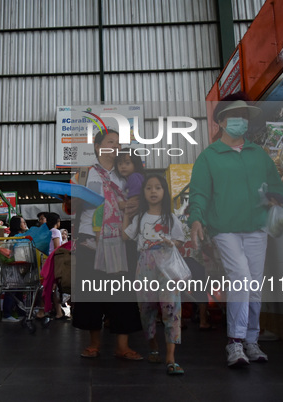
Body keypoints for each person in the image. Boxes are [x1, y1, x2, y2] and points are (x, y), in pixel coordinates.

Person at [188, 92, 283, 367]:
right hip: (224, 228)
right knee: (240, 276)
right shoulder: (209, 157)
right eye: (235, 117)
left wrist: (276, 197)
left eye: (244, 117)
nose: (241, 122)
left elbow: (275, 183)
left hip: (257, 226)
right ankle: (235, 342)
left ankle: (251, 341)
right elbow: (199, 194)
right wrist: (196, 218)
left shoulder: (258, 154)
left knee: (253, 283)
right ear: (221, 121)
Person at [72, 128, 143, 360]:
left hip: (120, 240)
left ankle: (122, 346)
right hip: (90, 240)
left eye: (118, 143)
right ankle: (94, 344)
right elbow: (70, 209)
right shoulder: (84, 173)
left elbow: (136, 203)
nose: (115, 146)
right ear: (97, 146)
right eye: (110, 142)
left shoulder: (127, 174)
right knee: (93, 292)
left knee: (122, 293)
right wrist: (72, 197)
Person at [123, 174, 186, 375]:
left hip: (167, 266)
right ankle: (153, 347)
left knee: (171, 309)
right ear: (143, 192)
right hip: (145, 265)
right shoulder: (140, 218)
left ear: (164, 192)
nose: (153, 191)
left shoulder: (171, 217)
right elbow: (125, 235)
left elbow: (180, 241)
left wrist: (171, 243)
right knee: (146, 309)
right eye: (149, 188)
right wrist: (125, 213)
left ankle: (170, 357)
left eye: (157, 187)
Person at [1, 215, 29, 322]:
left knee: (18, 291)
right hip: (14, 269)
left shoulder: (19, 237)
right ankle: (7, 314)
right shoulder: (14, 238)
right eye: (22, 222)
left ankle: (21, 312)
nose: (24, 224)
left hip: (17, 269)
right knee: (12, 290)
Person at [114, 150, 145, 218]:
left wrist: (124, 205)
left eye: (127, 163)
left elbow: (134, 199)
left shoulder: (134, 177)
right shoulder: (131, 178)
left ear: (136, 164)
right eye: (120, 164)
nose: (123, 167)